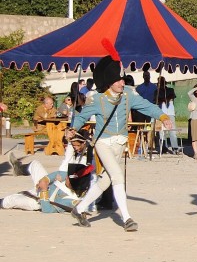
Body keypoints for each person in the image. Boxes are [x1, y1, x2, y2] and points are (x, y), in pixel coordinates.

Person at [67, 52, 172, 231]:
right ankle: (127, 218)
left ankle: (79, 209)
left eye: (122, 79)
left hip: (120, 143)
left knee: (105, 181)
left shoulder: (129, 95)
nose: (122, 83)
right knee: (117, 176)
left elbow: (147, 106)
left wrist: (162, 116)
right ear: (109, 82)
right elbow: (82, 116)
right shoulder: (97, 99)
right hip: (103, 143)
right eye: (118, 80)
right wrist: (73, 128)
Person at [3, 135, 94, 214]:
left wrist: (44, 190)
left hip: (39, 200)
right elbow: (59, 173)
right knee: (35, 164)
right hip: (45, 185)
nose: (66, 177)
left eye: (68, 178)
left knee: (10, 200)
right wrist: (45, 180)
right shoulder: (71, 177)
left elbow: (47, 209)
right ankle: (19, 169)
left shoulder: (69, 199)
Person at [155, 76, 181, 155]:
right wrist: (162, 98)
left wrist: (164, 98)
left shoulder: (170, 90)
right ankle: (163, 147)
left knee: (172, 131)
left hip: (170, 112)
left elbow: (171, 97)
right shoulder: (156, 91)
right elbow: (156, 100)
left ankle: (175, 148)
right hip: (160, 113)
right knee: (161, 131)